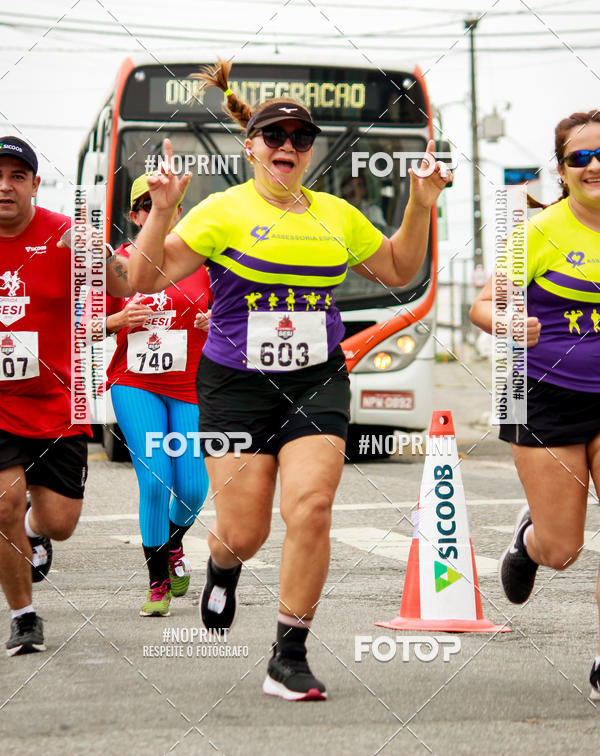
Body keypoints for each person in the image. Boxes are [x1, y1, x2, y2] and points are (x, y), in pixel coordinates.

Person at [127, 60, 450, 700]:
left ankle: (289, 654)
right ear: (251, 147)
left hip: (315, 380)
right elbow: (143, 278)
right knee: (245, 532)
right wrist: (161, 212)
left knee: (312, 507)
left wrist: (420, 203)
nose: (287, 146)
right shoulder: (221, 211)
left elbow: (399, 267)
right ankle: (223, 564)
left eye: (301, 138)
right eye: (274, 136)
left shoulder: (336, 215)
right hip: (234, 386)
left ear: (310, 152)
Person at [470, 110, 600, 700]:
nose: (593, 166)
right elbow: (481, 307)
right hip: (542, 395)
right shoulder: (538, 234)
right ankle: (529, 541)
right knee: (563, 549)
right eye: (580, 158)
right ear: (562, 171)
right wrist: (509, 324)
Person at [0, 135, 130, 655]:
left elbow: (122, 287)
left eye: (16, 176)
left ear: (35, 184)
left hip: (58, 405)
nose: (4, 186)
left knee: (60, 523)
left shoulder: (63, 235)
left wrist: (101, 253)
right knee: (4, 505)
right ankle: (24, 616)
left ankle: (35, 530)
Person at [105, 174, 211, 616]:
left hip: (190, 387)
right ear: (134, 216)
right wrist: (117, 320)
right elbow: (82, 325)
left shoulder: (203, 262)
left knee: (192, 489)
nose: (155, 211)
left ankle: (172, 543)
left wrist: (215, 323)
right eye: (145, 206)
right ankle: (157, 583)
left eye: (163, 204)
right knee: (155, 481)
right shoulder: (120, 266)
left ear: (179, 212)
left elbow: (234, 318)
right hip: (136, 384)